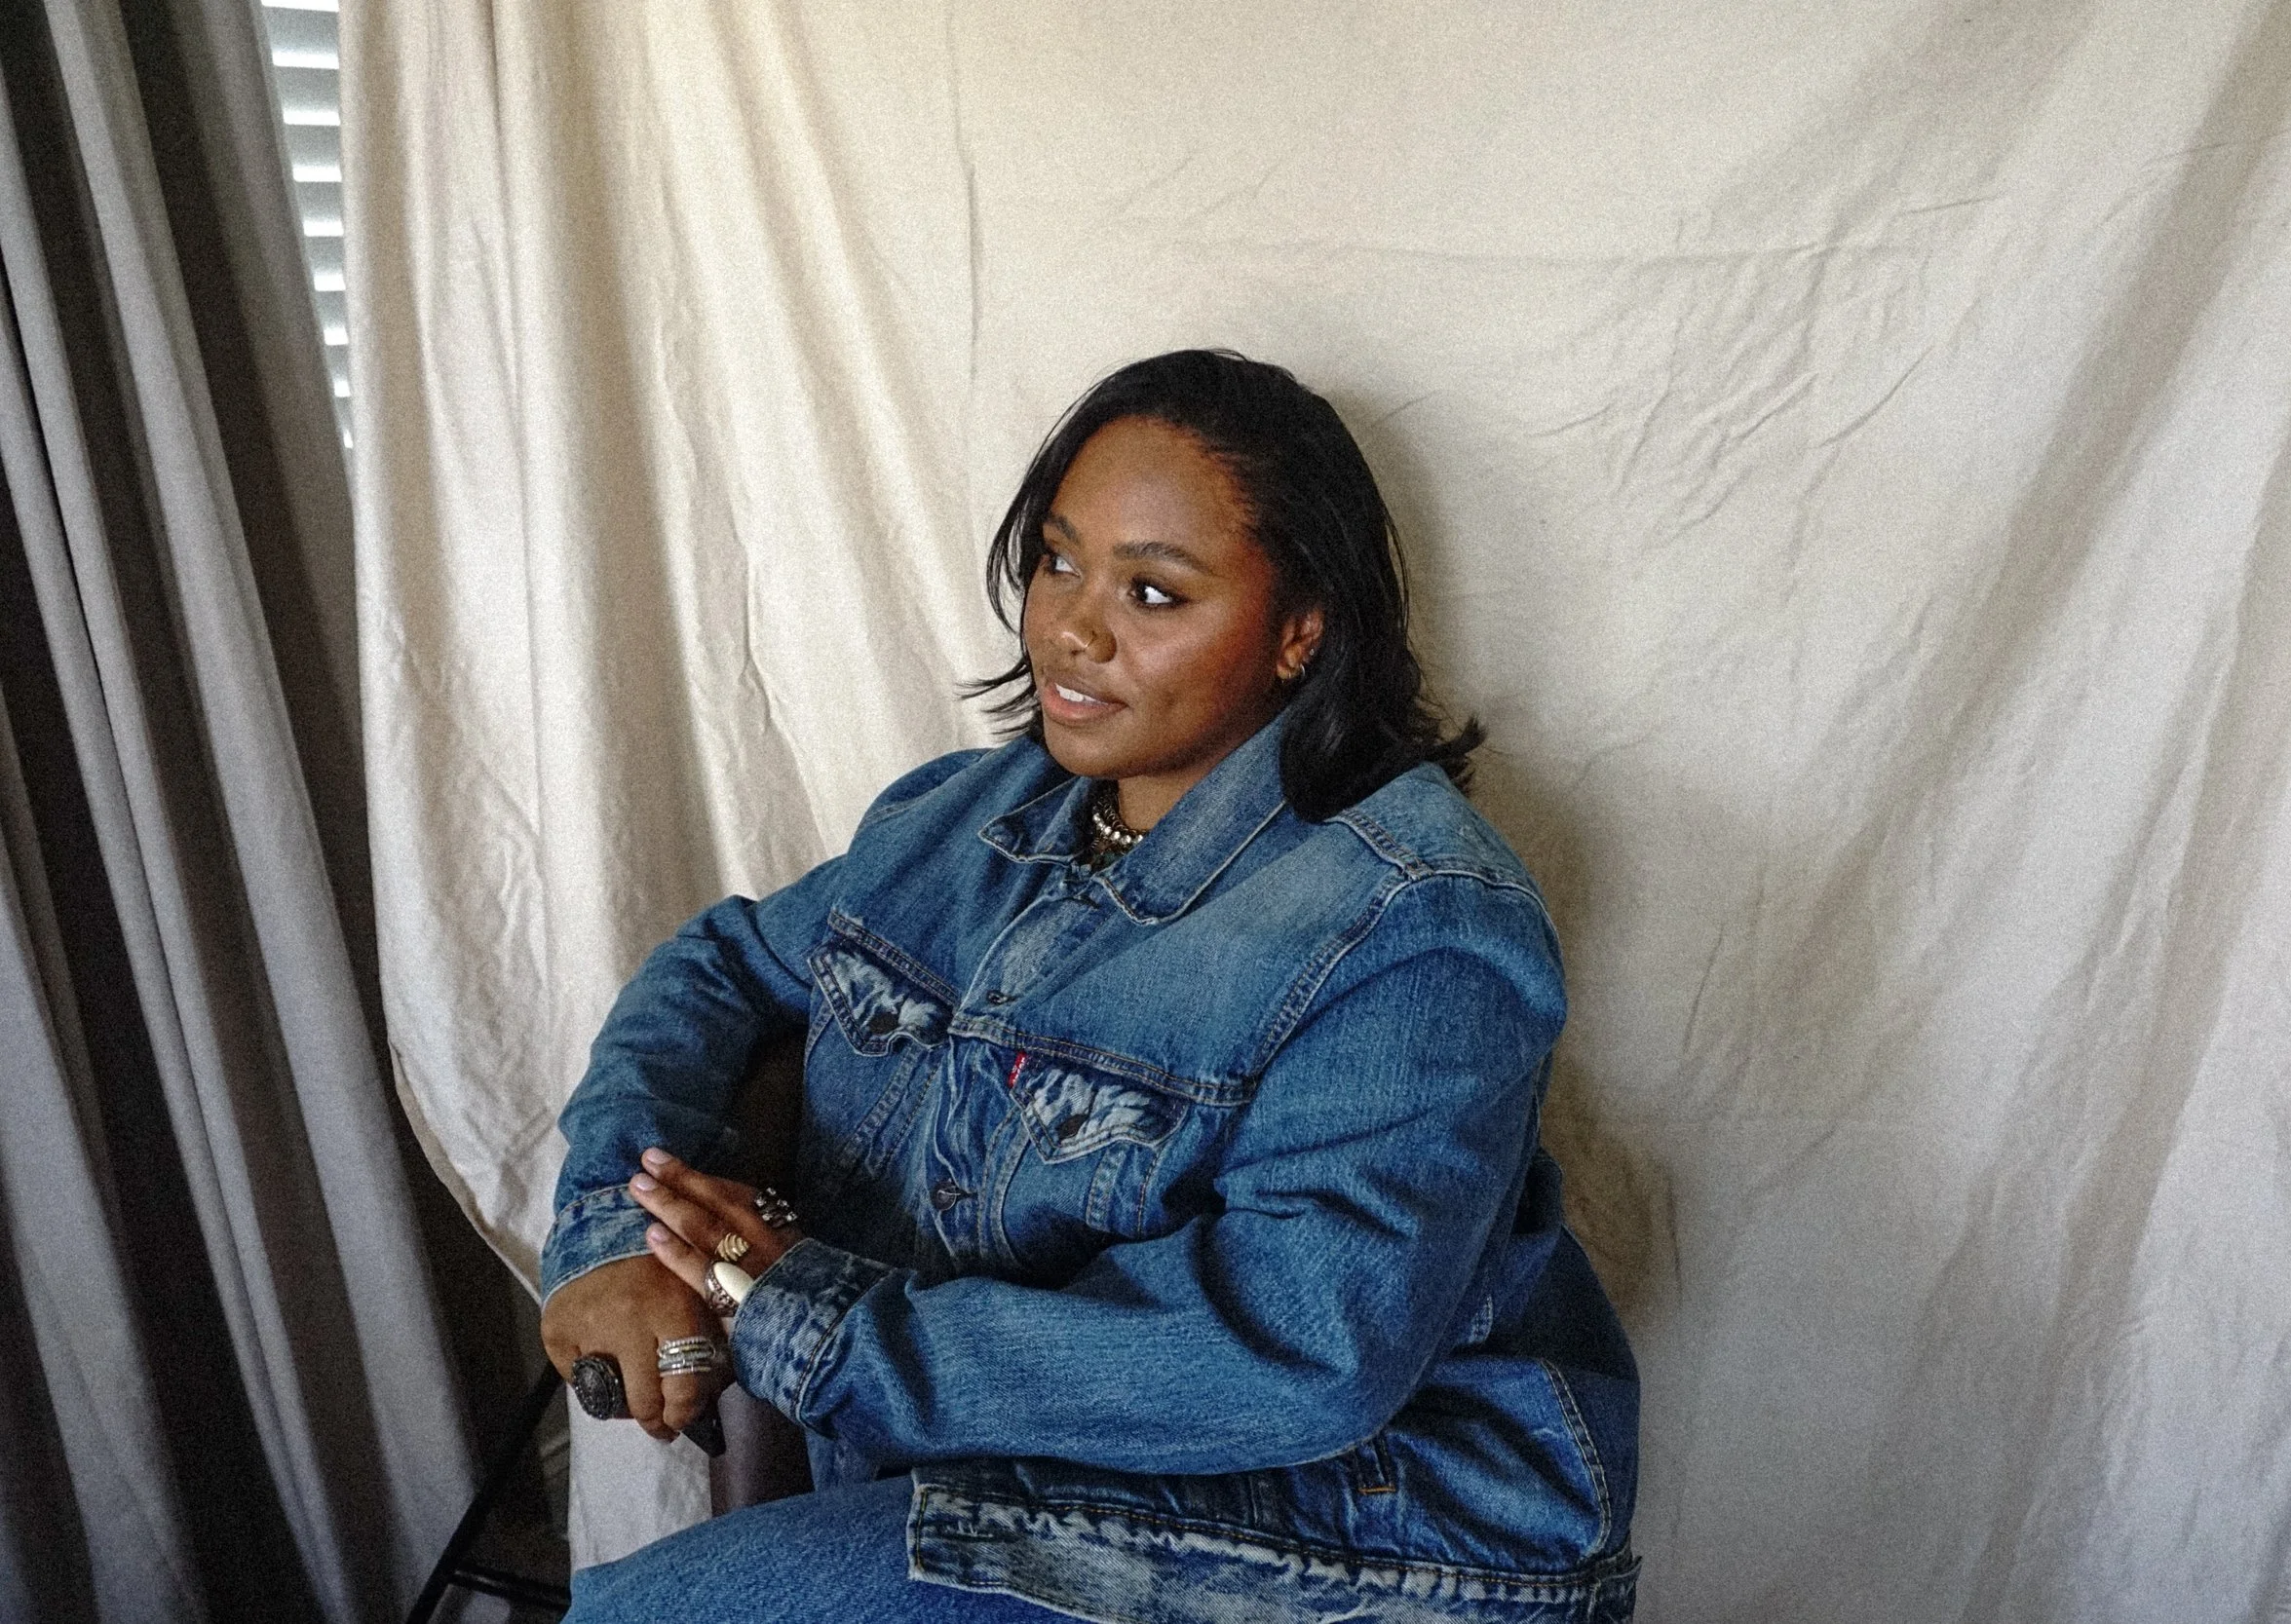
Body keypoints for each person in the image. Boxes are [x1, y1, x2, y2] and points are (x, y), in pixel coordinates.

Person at [540, 350, 1642, 1623]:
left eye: (1153, 591)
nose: (1072, 624)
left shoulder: (1420, 924)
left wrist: (815, 1321)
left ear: (1302, 630)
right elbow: (724, 963)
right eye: (1059, 559)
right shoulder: (961, 822)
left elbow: (1299, 1353)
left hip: (1353, 1532)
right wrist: (616, 1240)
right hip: (1009, 1480)